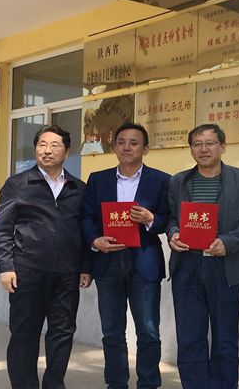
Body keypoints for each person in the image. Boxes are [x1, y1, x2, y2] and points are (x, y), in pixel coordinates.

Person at [0, 125, 92, 389]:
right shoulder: (18, 184)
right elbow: (3, 228)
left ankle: (54, 384)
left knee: (62, 333)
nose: (47, 150)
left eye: (54, 145)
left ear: (67, 152)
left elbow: (84, 230)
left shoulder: (78, 188)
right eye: (42, 145)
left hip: (67, 274)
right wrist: (6, 266)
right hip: (27, 271)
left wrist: (85, 266)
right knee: (24, 333)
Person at [167, 123, 239, 388]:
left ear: (223, 146)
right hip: (187, 266)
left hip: (225, 267)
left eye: (210, 143)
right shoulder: (178, 181)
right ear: (191, 149)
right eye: (197, 144)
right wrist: (173, 234)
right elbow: (172, 218)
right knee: (189, 337)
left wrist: (227, 242)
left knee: (225, 339)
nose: (203, 149)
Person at [81, 122, 170, 389]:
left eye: (134, 142)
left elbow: (169, 220)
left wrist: (151, 219)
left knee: (149, 331)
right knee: (111, 332)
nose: (127, 147)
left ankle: (149, 383)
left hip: (144, 261)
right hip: (107, 262)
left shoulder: (161, 180)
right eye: (121, 142)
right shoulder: (98, 179)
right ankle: (116, 383)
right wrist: (95, 240)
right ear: (114, 147)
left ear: (145, 149)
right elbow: (86, 217)